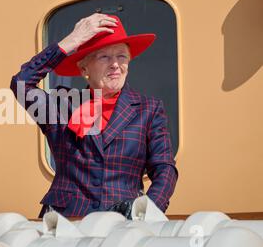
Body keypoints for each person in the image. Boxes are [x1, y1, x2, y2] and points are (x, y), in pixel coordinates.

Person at [10, 13, 178, 219]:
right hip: (67, 223)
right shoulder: (63, 105)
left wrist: (147, 213)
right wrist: (71, 41)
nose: (115, 64)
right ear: (84, 69)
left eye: (122, 56)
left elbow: (164, 169)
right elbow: (21, 84)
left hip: (124, 224)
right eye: (104, 56)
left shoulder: (149, 109)